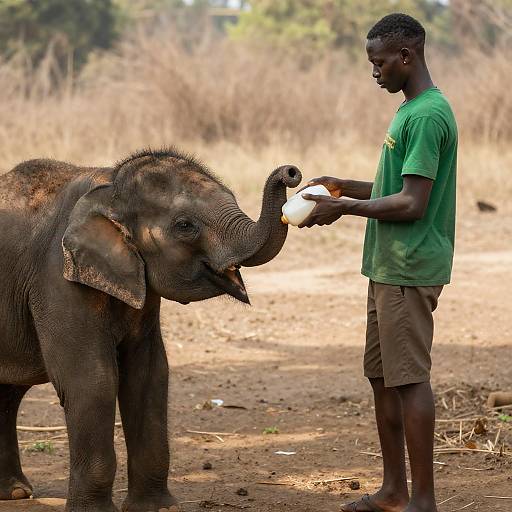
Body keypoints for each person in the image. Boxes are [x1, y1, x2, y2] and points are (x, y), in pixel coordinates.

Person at [299, 13, 458, 512]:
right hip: (387, 266)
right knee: (382, 376)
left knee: (409, 380)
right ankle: (394, 490)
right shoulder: (409, 111)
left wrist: (342, 209)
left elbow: (412, 204)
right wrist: (343, 186)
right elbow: (396, 188)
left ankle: (423, 501)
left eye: (379, 62)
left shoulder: (429, 116)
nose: (374, 72)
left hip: (410, 267)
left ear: (406, 57)